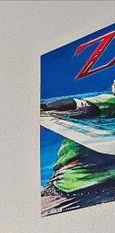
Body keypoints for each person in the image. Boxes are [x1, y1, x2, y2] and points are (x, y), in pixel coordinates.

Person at [40, 79, 115, 215]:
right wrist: (46, 108)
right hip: (72, 186)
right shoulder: (111, 102)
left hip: (102, 188)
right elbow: (80, 106)